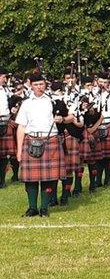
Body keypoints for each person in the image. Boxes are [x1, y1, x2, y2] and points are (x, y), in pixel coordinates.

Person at [15, 71, 66, 217]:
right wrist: (19, 150)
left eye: (41, 84)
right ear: (30, 85)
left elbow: (69, 117)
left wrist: (61, 119)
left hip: (50, 140)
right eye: (36, 84)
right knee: (30, 178)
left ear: (46, 84)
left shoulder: (54, 101)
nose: (39, 87)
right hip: (30, 140)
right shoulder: (26, 103)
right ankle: (32, 208)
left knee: (48, 177)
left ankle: (44, 208)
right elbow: (21, 127)